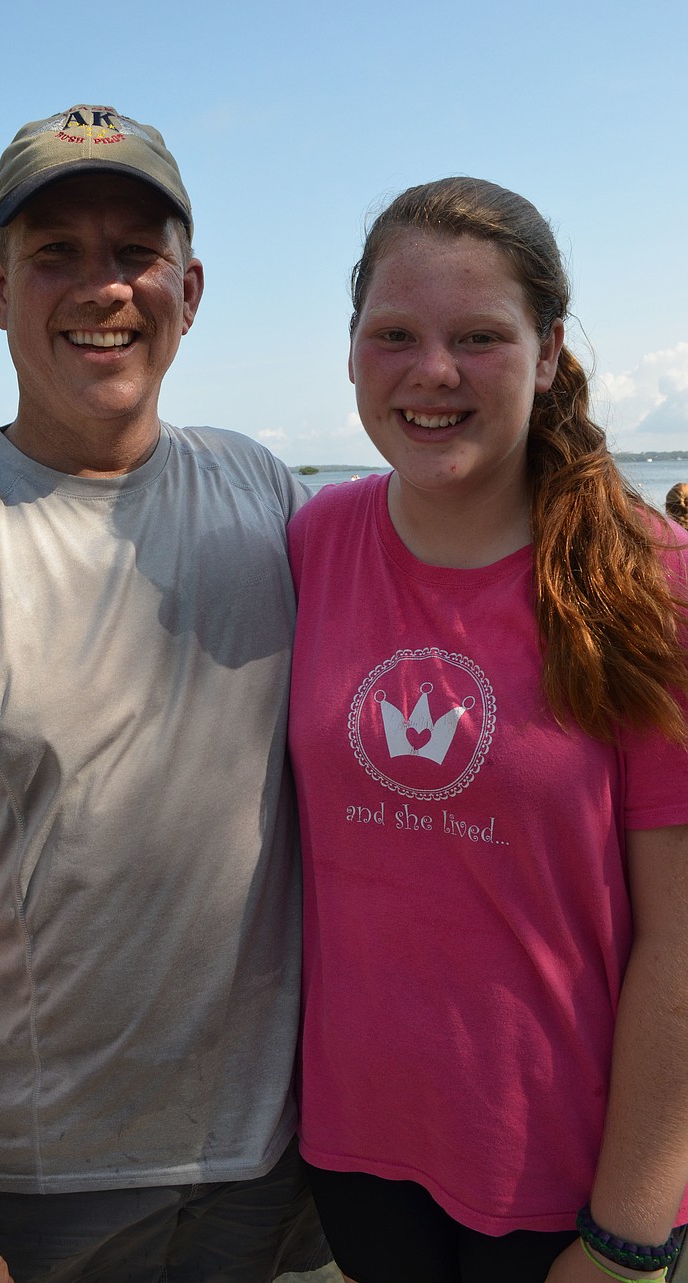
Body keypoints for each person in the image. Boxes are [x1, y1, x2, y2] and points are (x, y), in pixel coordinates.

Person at [0, 104, 328, 1283]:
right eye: (55, 251)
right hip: (21, 1178)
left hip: (268, 1153)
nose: (103, 286)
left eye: (135, 252)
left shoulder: (264, 492)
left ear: (189, 289)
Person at [287, 178, 688, 1283]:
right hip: (359, 1149)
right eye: (394, 335)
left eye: (479, 337)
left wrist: (628, 1231)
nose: (433, 372)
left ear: (547, 351)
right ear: (352, 352)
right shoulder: (314, 541)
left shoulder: (650, 580)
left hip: (566, 1178)